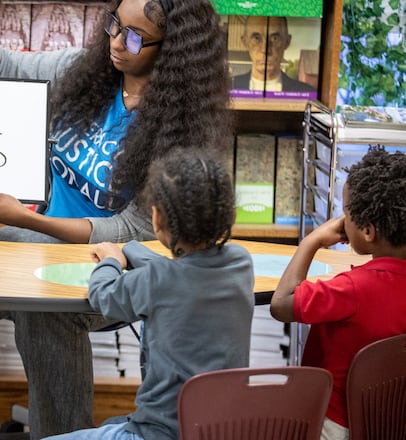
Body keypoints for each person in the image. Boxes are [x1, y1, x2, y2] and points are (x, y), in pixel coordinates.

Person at [0, 0, 233, 437]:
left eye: (135, 37)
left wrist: (30, 221)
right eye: (115, 24)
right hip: (33, 246)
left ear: (172, 49)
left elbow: (131, 231)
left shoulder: (181, 129)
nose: (116, 42)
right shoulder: (88, 70)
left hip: (111, 265)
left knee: (45, 308)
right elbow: (13, 67)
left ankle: (60, 432)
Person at [45, 149, 254, 440]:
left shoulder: (158, 280)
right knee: (112, 423)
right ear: (230, 215)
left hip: (156, 433)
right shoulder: (240, 263)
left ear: (157, 219)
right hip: (216, 430)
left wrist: (111, 261)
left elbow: (103, 296)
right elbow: (183, 275)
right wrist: (130, 248)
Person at [270, 148, 406, 440]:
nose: (342, 220)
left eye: (346, 212)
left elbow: (281, 305)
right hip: (390, 421)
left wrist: (312, 241)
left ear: (368, 231)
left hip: (335, 422)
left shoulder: (351, 289)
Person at [231, 16, 316, 93]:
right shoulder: (226, 88)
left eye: (274, 38)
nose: (265, 50)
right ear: (245, 42)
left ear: (287, 42)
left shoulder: (306, 92)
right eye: (256, 38)